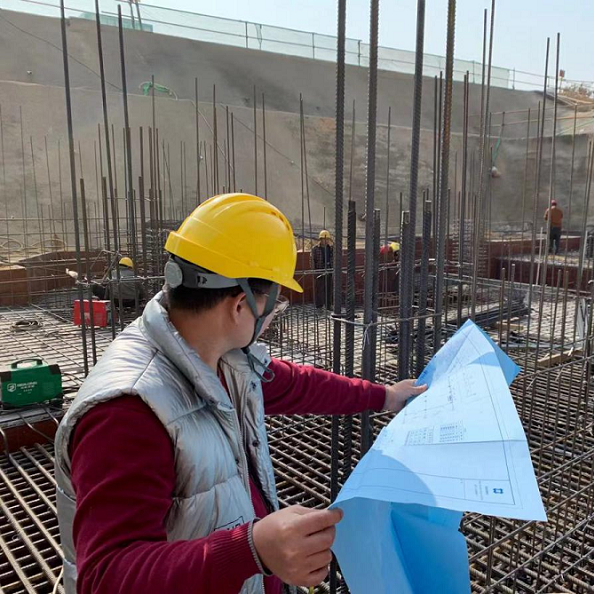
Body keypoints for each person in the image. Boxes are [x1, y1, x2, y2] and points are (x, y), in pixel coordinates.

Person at [54, 194, 426, 594]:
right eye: (274, 303)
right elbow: (106, 578)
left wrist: (384, 396)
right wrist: (251, 550)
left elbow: (297, 385)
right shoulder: (127, 412)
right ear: (238, 306)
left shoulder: (222, 357)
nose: (272, 315)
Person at [67, 256, 145, 307]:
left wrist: (107, 298)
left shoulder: (112, 273)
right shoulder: (134, 275)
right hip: (133, 302)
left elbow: (106, 286)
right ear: (130, 266)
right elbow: (142, 291)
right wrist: (141, 299)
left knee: (95, 287)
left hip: (116, 302)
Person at [311, 230, 334, 309]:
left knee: (329, 288)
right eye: (324, 239)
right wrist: (314, 272)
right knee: (320, 289)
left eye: (327, 239)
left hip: (329, 270)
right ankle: (319, 306)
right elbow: (312, 260)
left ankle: (328, 305)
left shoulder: (331, 248)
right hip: (319, 270)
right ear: (320, 239)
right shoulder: (315, 249)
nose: (326, 241)